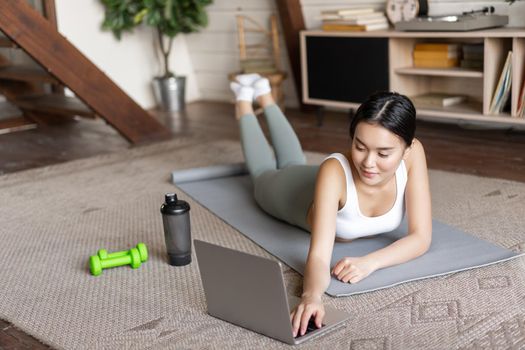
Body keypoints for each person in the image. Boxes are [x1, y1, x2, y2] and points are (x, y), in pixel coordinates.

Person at [230, 74, 432, 338]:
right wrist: (311, 296)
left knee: (293, 161)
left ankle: (265, 94)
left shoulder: (414, 153)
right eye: (359, 147)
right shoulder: (334, 170)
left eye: (383, 153)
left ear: (406, 149)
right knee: (265, 174)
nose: (369, 162)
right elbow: (319, 256)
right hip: (292, 193)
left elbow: (421, 237)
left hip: (325, 184)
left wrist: (370, 262)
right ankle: (243, 101)